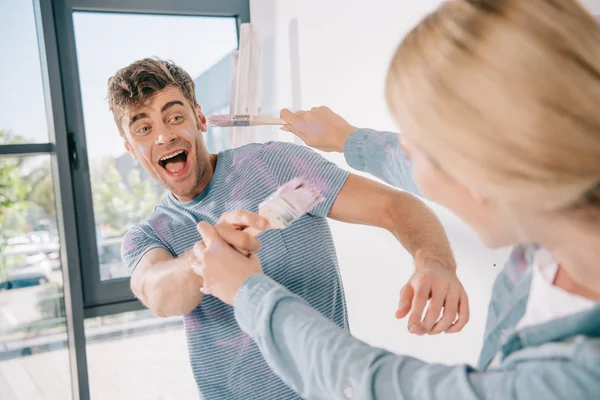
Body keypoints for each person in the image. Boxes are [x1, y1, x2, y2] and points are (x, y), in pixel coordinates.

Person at [193, 0, 600, 398]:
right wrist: (347, 138)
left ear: (480, 171)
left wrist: (249, 293)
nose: (412, 165)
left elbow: (376, 385)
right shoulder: (552, 212)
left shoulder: (572, 378)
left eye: (415, 145)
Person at [109, 58, 469, 399]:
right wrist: (209, 253)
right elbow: (157, 293)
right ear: (130, 147)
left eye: (174, 117)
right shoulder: (149, 235)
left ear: (200, 118)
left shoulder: (276, 166)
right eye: (144, 128)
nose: (163, 137)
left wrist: (435, 261)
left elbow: (395, 206)